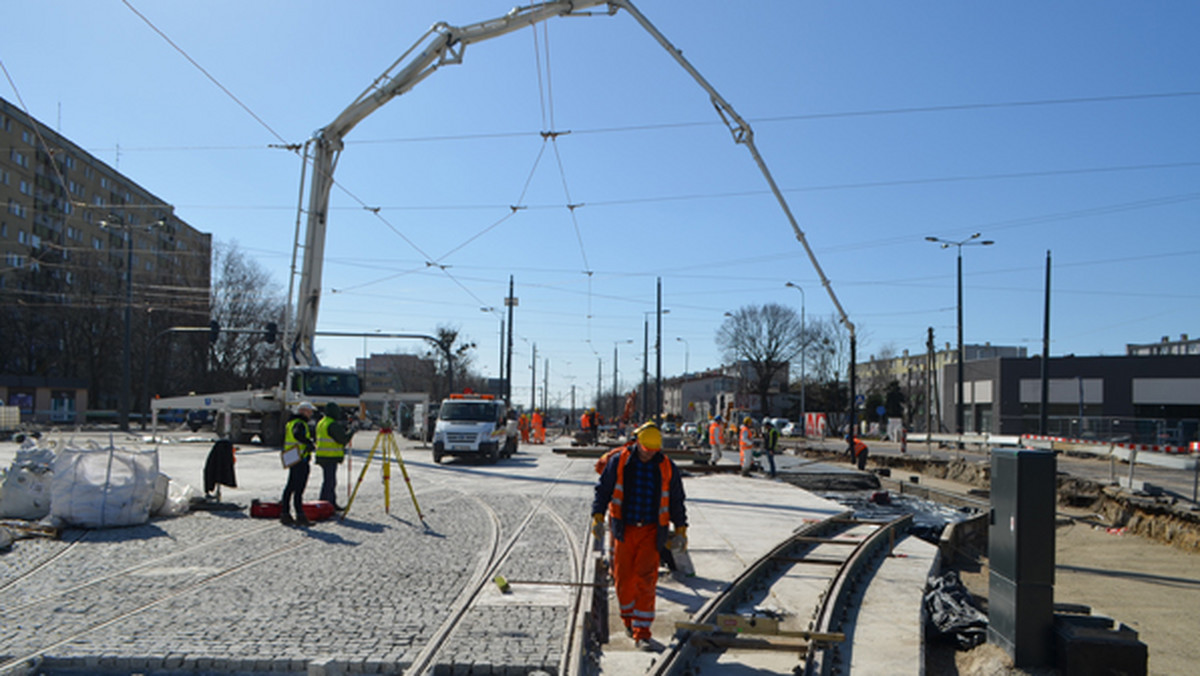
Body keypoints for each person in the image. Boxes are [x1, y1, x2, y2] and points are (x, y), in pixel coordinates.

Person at [592, 421, 688, 651]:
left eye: (653, 451)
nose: (649, 455)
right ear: (638, 443)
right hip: (624, 530)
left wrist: (681, 528)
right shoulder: (619, 461)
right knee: (624, 578)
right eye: (646, 450)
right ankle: (628, 619)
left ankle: (642, 632)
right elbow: (603, 489)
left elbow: (676, 498)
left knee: (646, 580)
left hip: (652, 531)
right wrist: (597, 515)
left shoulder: (666, 466)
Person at [281, 401, 316, 526]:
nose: (311, 414)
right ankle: (300, 516)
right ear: (303, 411)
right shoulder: (300, 423)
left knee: (290, 486)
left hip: (292, 457)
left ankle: (285, 513)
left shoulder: (291, 422)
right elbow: (297, 435)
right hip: (300, 458)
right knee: (298, 488)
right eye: (309, 411)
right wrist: (308, 443)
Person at [314, 402, 352, 510]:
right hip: (329, 456)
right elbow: (343, 439)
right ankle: (324, 503)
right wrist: (352, 431)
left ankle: (330, 502)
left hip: (322, 455)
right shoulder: (332, 424)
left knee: (329, 481)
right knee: (329, 482)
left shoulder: (322, 422)